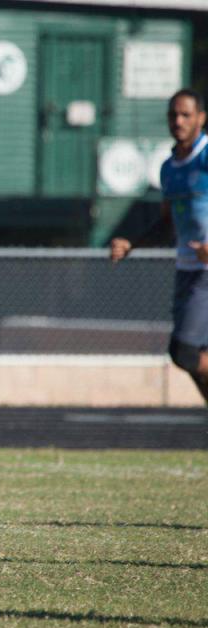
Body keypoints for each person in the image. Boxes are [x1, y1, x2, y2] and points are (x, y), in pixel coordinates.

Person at [111, 88, 208, 402]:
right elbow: (168, 223)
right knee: (191, 356)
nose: (178, 121)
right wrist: (132, 244)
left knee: (185, 352)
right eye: (173, 115)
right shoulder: (169, 168)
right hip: (187, 270)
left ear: (201, 119)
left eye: (185, 115)